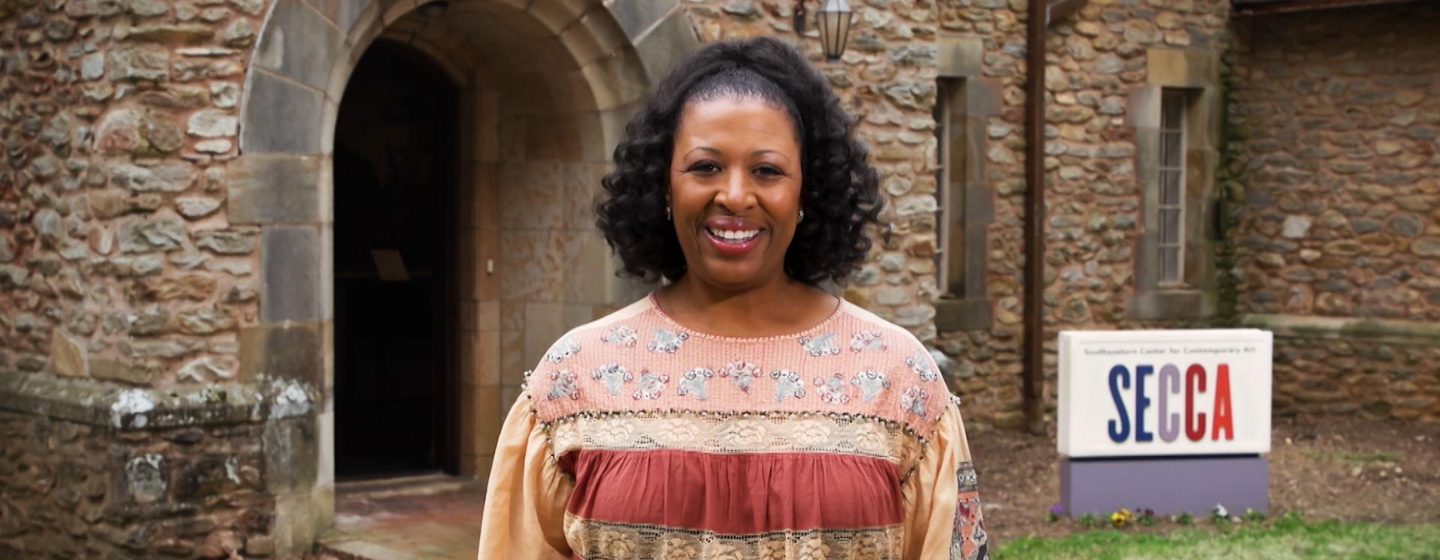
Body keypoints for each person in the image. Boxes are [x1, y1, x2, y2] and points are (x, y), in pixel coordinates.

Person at [477, 37, 987, 560]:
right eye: (705, 167)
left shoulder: (900, 380)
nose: (736, 196)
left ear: (807, 192)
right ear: (664, 189)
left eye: (766, 170)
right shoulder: (573, 380)